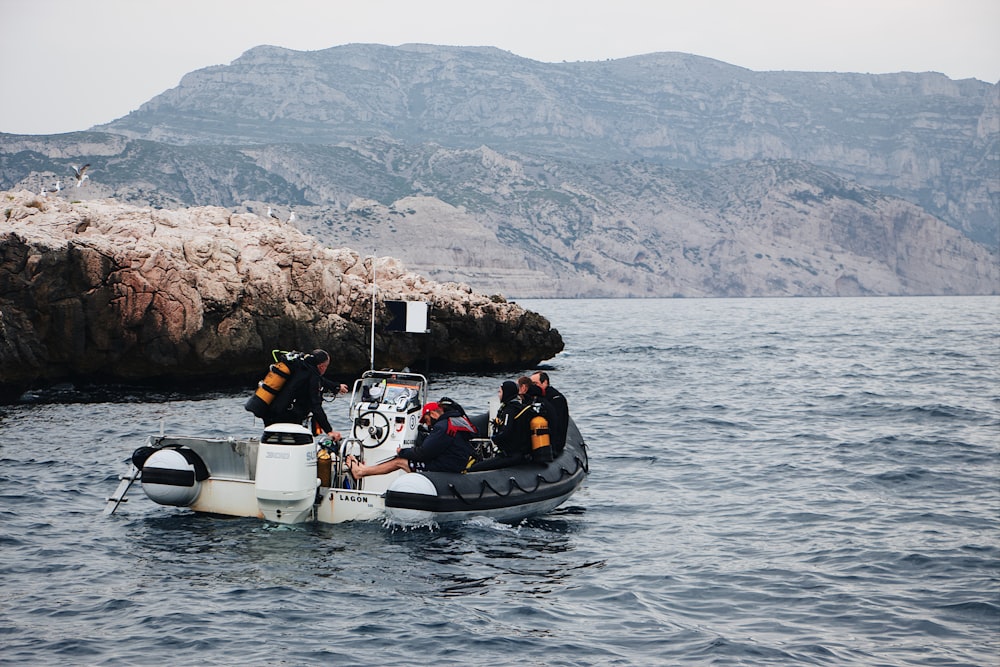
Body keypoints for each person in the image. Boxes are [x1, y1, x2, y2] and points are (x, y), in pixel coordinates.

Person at [346, 401, 475, 478]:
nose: (427, 424)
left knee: (400, 461)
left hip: (446, 467)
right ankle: (365, 468)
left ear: (433, 413)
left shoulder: (442, 427)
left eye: (426, 420)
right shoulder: (456, 421)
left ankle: (361, 471)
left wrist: (402, 451)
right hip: (456, 463)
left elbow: (424, 453)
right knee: (405, 457)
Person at [263, 349, 346, 442]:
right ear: (322, 366)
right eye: (326, 366)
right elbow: (315, 406)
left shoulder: (301, 366)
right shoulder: (312, 376)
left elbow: (320, 380)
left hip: (269, 412)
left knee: (272, 441)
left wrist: (336, 387)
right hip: (287, 417)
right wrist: (329, 431)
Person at [531, 371, 569, 455]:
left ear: (545, 382)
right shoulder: (536, 398)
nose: (533, 387)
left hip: (554, 443)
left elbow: (558, 423)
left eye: (535, 383)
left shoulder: (556, 399)